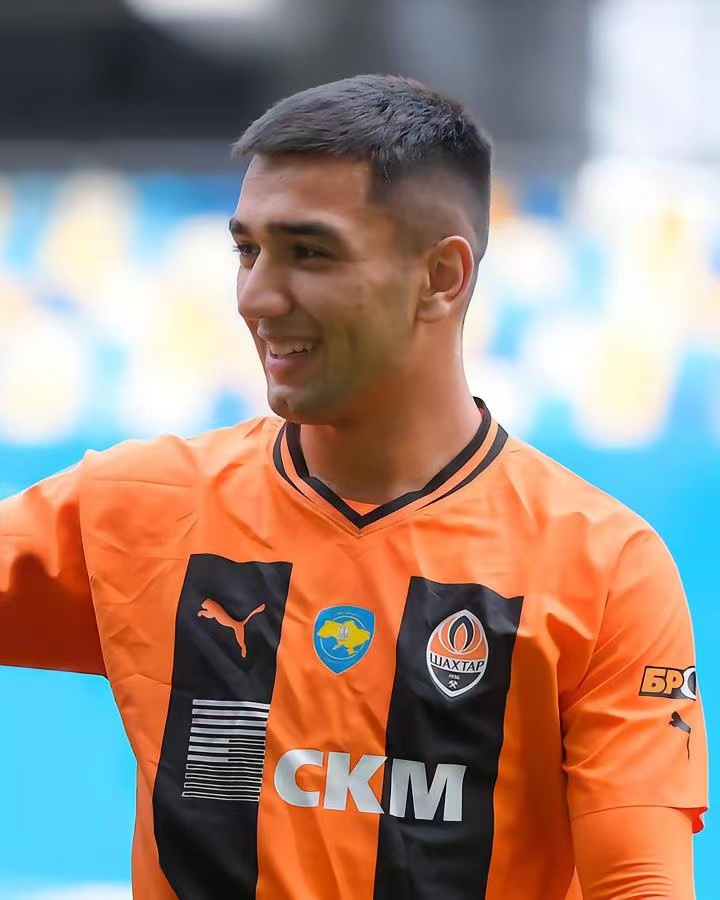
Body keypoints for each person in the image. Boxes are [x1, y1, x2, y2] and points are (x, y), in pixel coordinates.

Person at [0, 74, 707, 900]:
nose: (257, 296)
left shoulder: (606, 569)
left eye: (309, 252)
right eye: (247, 250)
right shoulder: (135, 507)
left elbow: (640, 884)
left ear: (441, 276)